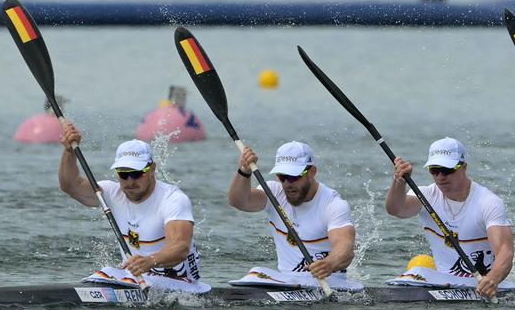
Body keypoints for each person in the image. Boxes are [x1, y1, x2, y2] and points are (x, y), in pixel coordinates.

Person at [58, 124, 208, 293]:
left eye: (137, 173)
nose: (130, 181)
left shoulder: (173, 199)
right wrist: (69, 152)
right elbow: (70, 186)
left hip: (182, 285)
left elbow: (180, 248)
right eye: (123, 173)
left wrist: (150, 261)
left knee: (113, 275)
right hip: (137, 280)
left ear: (152, 169)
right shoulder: (110, 193)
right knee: (104, 273)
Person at [384, 137, 515, 300]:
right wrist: (399, 182)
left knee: (417, 272)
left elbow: (505, 252)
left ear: (464, 167)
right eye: (434, 170)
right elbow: (395, 209)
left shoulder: (488, 202)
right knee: (415, 273)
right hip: (442, 284)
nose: (440, 176)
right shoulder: (426, 195)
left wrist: (492, 279)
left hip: (483, 285)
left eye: (447, 170)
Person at [227, 141, 361, 291]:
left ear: (312, 172)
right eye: (282, 176)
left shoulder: (333, 205)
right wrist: (244, 171)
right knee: (256, 272)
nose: (287, 183)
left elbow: (345, 249)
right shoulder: (274, 193)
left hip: (329, 283)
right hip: (287, 281)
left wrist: (329, 264)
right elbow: (239, 201)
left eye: (293, 176)